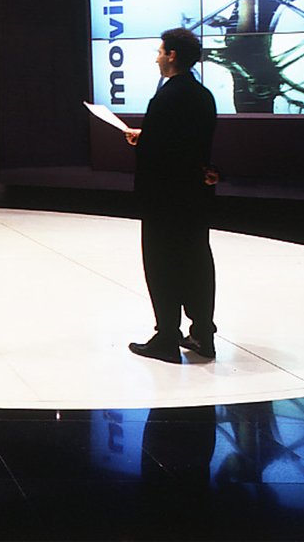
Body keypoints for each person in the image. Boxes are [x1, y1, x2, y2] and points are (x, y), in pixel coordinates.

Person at [124, 27, 218, 363]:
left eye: (161, 51)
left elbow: (160, 153)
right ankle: (203, 334)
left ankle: (166, 336)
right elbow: (191, 145)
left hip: (163, 199)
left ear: (173, 55)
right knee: (196, 262)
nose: (157, 57)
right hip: (194, 195)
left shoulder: (166, 97)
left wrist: (142, 141)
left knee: (162, 266)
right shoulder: (203, 95)